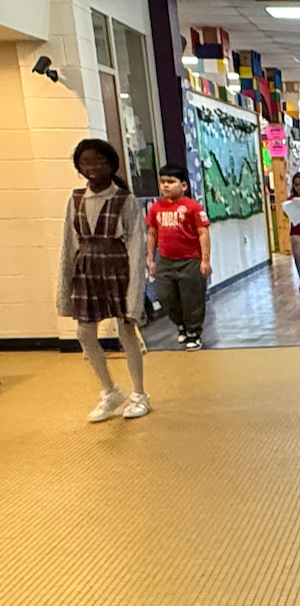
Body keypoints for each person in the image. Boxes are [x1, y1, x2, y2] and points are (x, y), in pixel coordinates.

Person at [56, 139, 150, 421]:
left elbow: (136, 246)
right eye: (85, 162)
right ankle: (110, 390)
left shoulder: (125, 200)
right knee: (84, 333)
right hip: (87, 272)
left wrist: (135, 292)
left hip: (117, 270)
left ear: (111, 164)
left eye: (98, 161)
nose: (92, 167)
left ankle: (139, 393)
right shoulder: (75, 200)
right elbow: (67, 246)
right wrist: (63, 290)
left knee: (126, 331)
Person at [147, 164, 211, 351]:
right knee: (165, 296)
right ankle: (180, 324)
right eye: (163, 182)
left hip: (190, 260)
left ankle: (193, 332)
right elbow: (152, 233)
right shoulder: (156, 208)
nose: (165, 186)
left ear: (183, 185)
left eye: (171, 182)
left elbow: (203, 233)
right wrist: (151, 260)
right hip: (166, 261)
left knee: (192, 299)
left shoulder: (193, 207)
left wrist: (205, 260)